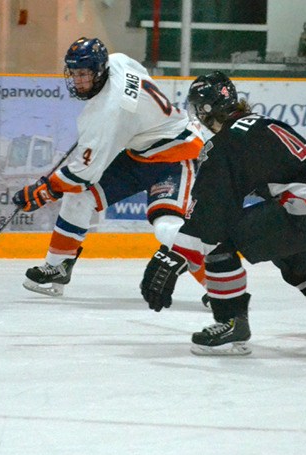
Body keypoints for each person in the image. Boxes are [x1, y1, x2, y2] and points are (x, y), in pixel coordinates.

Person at [140, 71, 306, 356]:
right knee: (297, 267)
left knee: (220, 242)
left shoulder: (224, 145)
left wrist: (175, 255)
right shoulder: (263, 123)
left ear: (206, 110)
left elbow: (212, 215)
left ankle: (231, 324)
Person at [12, 36, 205, 296]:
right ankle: (57, 267)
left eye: (84, 74)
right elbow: (141, 74)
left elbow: (83, 174)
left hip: (176, 155)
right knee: (78, 198)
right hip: (140, 152)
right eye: (74, 73)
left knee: (166, 227)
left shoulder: (108, 111)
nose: (78, 80)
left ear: (99, 71)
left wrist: (45, 189)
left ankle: (219, 289)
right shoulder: (117, 60)